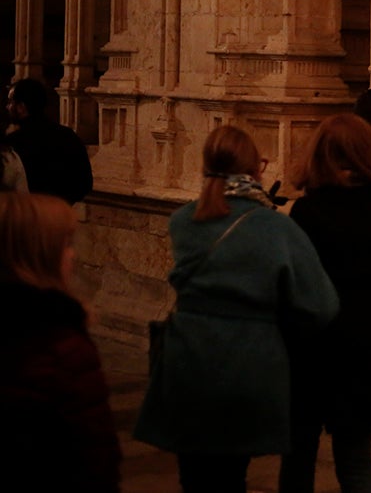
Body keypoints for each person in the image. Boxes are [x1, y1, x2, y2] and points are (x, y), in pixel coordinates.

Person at [133, 125, 340, 493]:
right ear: (255, 168)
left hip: (187, 357)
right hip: (247, 358)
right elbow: (321, 304)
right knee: (231, 475)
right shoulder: (274, 227)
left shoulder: (183, 221)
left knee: (193, 474)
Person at [279, 114, 371, 493]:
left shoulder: (307, 212)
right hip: (366, 344)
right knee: (355, 457)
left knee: (298, 454)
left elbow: (294, 286)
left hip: (313, 347)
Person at [0, 192, 122, 492]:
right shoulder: (61, 349)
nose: (73, 255)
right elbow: (94, 459)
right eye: (66, 244)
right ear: (38, 255)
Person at [6, 78, 93, 203]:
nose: (7, 107)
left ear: (21, 107)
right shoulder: (68, 136)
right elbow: (84, 183)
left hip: (26, 216)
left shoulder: (14, 144)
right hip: (58, 216)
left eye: (10, 102)